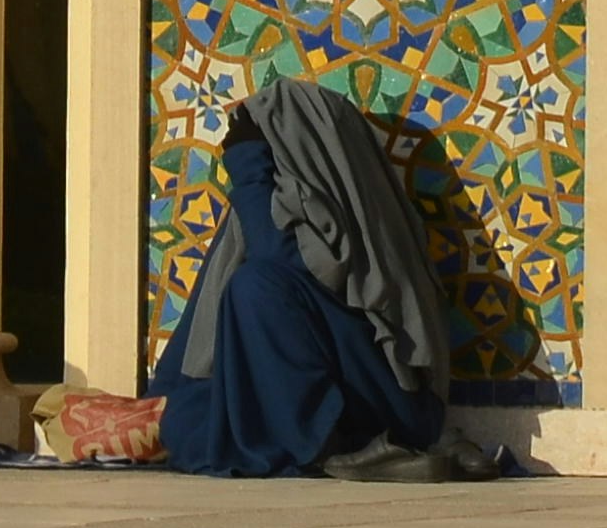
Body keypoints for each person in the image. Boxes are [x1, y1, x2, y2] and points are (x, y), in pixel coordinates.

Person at [155, 75, 473, 481]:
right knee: (188, 421)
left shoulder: (356, 214)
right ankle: (346, 446)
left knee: (255, 287)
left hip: (390, 405)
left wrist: (251, 174)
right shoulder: (255, 224)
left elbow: (279, 269)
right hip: (354, 401)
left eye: (269, 155)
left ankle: (334, 447)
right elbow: (202, 335)